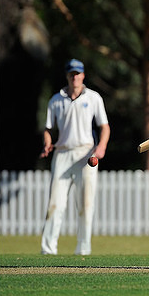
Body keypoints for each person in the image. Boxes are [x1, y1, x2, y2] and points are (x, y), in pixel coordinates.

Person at [39, 59, 110, 255]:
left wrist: (101, 147)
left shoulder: (94, 98)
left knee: (86, 203)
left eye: (78, 73)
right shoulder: (56, 100)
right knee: (55, 203)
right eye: (72, 73)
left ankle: (83, 250)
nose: (75, 77)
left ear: (83, 76)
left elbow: (104, 127)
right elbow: (48, 129)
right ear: (67, 76)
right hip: (62, 153)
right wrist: (47, 142)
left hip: (86, 154)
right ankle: (48, 250)